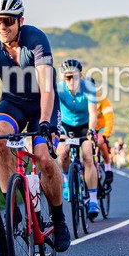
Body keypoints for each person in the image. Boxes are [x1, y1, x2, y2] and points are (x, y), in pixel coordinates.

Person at [0, 0, 71, 251]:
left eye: (8, 21)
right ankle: (13, 211)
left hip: (42, 105)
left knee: (44, 157)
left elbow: (47, 87)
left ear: (20, 20)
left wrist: (46, 122)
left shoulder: (35, 39)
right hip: (13, 103)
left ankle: (59, 219)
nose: (2, 27)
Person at [55, 59, 101, 220]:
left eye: (74, 77)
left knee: (88, 156)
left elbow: (93, 113)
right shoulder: (59, 89)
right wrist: (58, 133)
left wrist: (91, 131)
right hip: (66, 126)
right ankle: (67, 180)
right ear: (63, 78)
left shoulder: (88, 87)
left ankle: (93, 201)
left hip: (84, 125)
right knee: (62, 154)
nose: (71, 81)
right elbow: (55, 112)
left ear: (80, 76)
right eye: (67, 78)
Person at [88, 78, 115, 184]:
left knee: (100, 141)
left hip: (101, 127)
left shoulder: (101, 99)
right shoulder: (82, 98)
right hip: (89, 127)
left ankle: (108, 168)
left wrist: (106, 134)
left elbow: (109, 118)